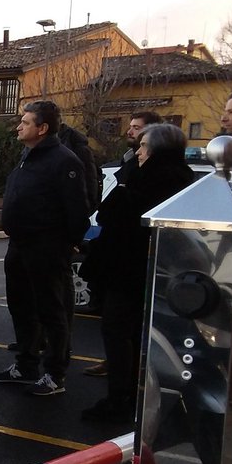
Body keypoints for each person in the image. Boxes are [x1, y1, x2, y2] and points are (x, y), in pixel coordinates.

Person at [80, 124, 195, 422]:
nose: (139, 152)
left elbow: (111, 212)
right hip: (144, 270)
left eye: (144, 146)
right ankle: (132, 394)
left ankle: (120, 397)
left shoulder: (152, 180)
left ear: (158, 149)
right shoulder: (180, 179)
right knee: (131, 334)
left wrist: (123, 184)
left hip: (129, 269)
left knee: (118, 332)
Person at [0, 100, 88, 396]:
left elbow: (77, 209)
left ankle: (55, 374)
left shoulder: (64, 161)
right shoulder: (28, 156)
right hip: (20, 246)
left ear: (42, 128)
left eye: (25, 122)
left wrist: (67, 244)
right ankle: (26, 364)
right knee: (21, 307)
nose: (18, 127)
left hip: (47, 248)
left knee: (51, 311)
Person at [83, 110, 163, 378]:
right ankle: (117, 366)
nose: (130, 132)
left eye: (137, 129)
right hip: (118, 257)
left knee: (124, 323)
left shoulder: (151, 176)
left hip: (131, 262)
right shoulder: (129, 161)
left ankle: (126, 377)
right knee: (115, 323)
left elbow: (121, 212)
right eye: (131, 127)